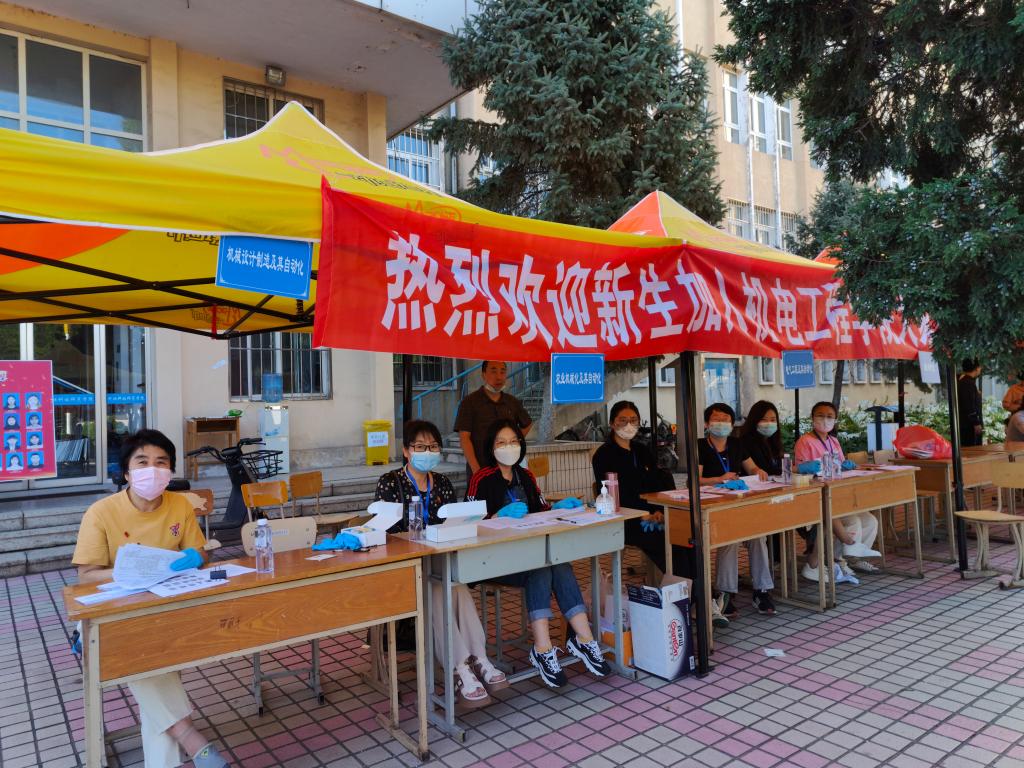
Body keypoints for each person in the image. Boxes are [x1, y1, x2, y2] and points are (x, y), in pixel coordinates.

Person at [71, 429, 227, 768]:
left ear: (170, 471)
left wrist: (196, 556)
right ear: (127, 472)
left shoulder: (179, 505)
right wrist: (134, 572)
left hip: (162, 609)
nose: (152, 470)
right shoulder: (101, 512)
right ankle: (193, 740)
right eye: (142, 462)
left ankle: (189, 743)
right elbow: (87, 575)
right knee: (142, 654)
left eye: (162, 462)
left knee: (151, 669)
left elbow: (198, 551)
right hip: (112, 615)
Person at [373, 420, 507, 708]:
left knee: (455, 586)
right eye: (420, 447)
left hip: (440, 563)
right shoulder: (390, 482)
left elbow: (453, 525)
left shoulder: (443, 484)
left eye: (433, 447)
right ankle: (459, 667)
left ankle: (478, 658)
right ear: (406, 451)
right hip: (407, 568)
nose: (428, 452)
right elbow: (385, 533)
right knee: (439, 589)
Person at [466, 418, 609, 688]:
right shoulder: (481, 479)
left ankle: (584, 639)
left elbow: (541, 511)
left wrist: (558, 508)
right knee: (541, 567)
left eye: (513, 441)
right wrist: (496, 515)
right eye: (501, 442)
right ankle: (543, 649)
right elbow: (468, 522)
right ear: (491, 447)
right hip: (494, 561)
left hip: (527, 554)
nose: (508, 447)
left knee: (558, 563)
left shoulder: (526, 476)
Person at [591, 400, 692, 578]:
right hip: (627, 519)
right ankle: (684, 588)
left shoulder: (642, 450)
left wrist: (659, 511)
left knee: (687, 535)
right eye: (623, 420)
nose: (628, 425)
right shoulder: (604, 455)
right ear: (612, 423)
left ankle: (693, 587)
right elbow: (611, 494)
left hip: (654, 514)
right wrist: (643, 515)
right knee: (666, 541)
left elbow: (657, 483)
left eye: (633, 420)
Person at [696, 403, 773, 625]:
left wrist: (758, 472)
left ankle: (762, 589)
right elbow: (696, 479)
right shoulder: (700, 446)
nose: (721, 423)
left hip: (738, 504)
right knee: (729, 540)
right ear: (706, 424)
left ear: (732, 424)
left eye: (726, 420)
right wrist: (719, 480)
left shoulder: (737, 444)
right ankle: (725, 592)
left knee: (758, 536)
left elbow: (752, 468)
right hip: (712, 506)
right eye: (716, 419)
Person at [794, 401, 880, 582]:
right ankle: (838, 561)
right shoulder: (805, 441)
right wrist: (806, 469)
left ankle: (854, 558)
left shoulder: (833, 441)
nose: (825, 420)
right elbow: (800, 471)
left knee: (870, 521)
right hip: (820, 497)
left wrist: (846, 466)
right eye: (820, 415)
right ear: (812, 418)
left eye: (829, 416)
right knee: (853, 521)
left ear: (835, 420)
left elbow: (840, 465)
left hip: (839, 494)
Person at [454, 361, 532, 475]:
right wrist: (477, 471)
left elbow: (527, 424)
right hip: (481, 468)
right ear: (483, 375)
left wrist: (512, 441)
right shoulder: (470, 402)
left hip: (508, 468)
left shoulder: (512, 402)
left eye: (502, 372)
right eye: (493, 371)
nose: (499, 377)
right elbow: (464, 438)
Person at [739, 400, 783, 477]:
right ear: (754, 421)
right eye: (763, 420)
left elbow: (778, 467)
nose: (769, 423)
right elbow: (765, 469)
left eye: (773, 420)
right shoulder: (746, 442)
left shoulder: (772, 440)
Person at [957, 359, 984, 447]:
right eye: (979, 367)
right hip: (968, 425)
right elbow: (969, 405)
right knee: (972, 449)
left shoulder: (965, 381)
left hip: (966, 423)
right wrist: (976, 423)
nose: (980, 369)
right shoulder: (967, 383)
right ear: (976, 368)